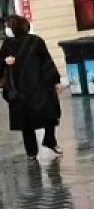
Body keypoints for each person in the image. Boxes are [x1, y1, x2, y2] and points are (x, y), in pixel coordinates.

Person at [0, 16, 62, 162]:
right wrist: (4, 62)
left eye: (8, 26)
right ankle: (31, 152)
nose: (6, 29)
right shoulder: (7, 45)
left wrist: (55, 81)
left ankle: (50, 140)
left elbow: (47, 61)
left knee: (49, 114)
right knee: (25, 122)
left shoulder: (36, 41)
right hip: (19, 88)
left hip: (39, 84)